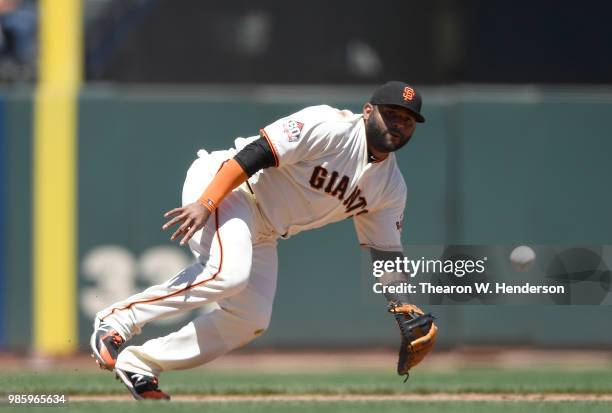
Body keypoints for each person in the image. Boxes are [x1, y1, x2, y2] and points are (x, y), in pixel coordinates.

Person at [90, 81, 438, 400]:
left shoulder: (390, 188)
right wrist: (207, 201)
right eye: (390, 113)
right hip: (231, 188)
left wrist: (403, 307)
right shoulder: (330, 126)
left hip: (266, 229)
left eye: (407, 120)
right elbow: (258, 152)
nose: (397, 124)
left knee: (250, 318)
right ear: (368, 110)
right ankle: (115, 322)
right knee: (228, 274)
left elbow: (385, 254)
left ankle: (140, 364)